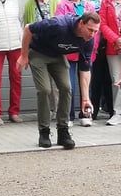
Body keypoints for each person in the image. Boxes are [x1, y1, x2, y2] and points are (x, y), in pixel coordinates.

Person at [19, 11, 99, 149]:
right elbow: (28, 28)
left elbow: (85, 69)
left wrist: (86, 98)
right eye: (90, 30)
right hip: (38, 52)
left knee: (67, 88)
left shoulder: (89, 41)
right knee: (45, 89)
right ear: (81, 23)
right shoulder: (58, 25)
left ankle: (63, 131)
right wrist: (24, 56)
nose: (92, 34)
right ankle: (44, 132)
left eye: (95, 31)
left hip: (57, 56)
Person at [55, 0, 99, 127]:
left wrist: (94, 47)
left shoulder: (89, 7)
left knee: (86, 84)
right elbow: (60, 27)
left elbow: (95, 30)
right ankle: (69, 116)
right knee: (69, 85)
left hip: (86, 50)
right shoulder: (62, 5)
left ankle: (85, 114)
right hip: (69, 51)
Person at [86, 0, 114, 119]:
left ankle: (111, 109)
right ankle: (93, 109)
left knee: (109, 76)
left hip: (108, 37)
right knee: (94, 77)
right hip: (91, 39)